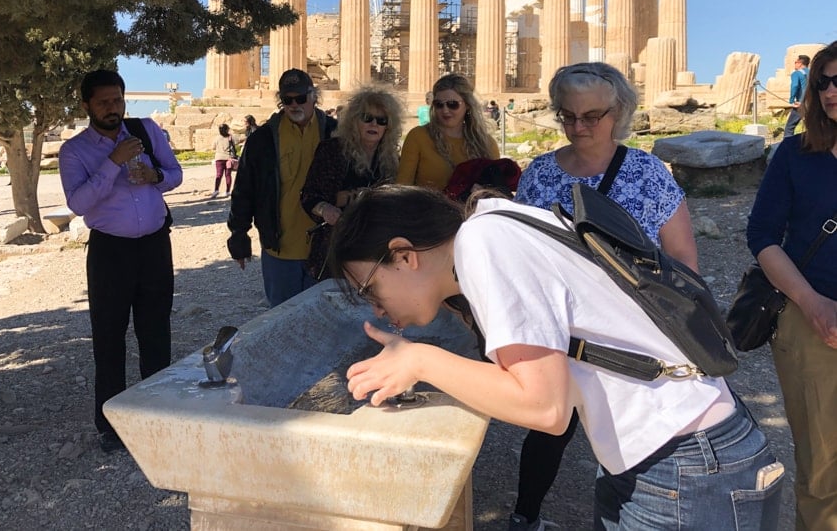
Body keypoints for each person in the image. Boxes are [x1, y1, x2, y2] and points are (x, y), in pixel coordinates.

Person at [332, 185, 782, 530]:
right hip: (676, 450)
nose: (375, 306)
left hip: (685, 463)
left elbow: (545, 408)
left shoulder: (484, 244)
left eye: (370, 287)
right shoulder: (496, 221)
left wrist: (420, 361)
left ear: (404, 255)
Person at [510, 61, 698, 530]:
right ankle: (523, 517)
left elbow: (682, 257)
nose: (578, 127)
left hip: (631, 331)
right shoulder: (538, 175)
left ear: (619, 111)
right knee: (548, 428)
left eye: (591, 116)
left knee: (626, 435)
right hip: (561, 328)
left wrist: (675, 327)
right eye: (567, 115)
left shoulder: (648, 173)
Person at [58, 69, 183, 453]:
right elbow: (77, 204)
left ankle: (158, 416)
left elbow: (175, 174)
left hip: (154, 247)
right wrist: (112, 162)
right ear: (86, 106)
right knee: (109, 338)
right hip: (110, 252)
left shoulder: (145, 130)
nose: (113, 109)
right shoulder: (75, 151)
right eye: (104, 103)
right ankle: (111, 425)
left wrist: (154, 175)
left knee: (155, 331)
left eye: (118, 100)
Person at [747, 41, 837, 529]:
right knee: (824, 471)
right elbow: (760, 235)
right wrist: (812, 303)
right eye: (822, 81)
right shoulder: (796, 155)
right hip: (814, 323)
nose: (829, 91)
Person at [227, 68, 337, 307]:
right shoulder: (262, 139)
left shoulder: (335, 133)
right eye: (287, 100)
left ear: (314, 97)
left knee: (325, 323)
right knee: (281, 320)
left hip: (327, 247)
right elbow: (245, 188)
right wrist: (238, 232)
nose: (294, 104)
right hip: (280, 250)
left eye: (300, 98)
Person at [301, 87, 403, 280]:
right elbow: (309, 195)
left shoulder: (392, 159)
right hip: (336, 246)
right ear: (354, 120)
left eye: (381, 121)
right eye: (367, 118)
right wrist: (326, 209)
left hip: (375, 251)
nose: (374, 124)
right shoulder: (332, 151)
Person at [397, 74, 499, 190]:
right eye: (439, 104)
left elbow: (497, 189)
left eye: (452, 104)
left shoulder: (486, 143)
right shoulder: (418, 137)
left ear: (468, 105)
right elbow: (403, 187)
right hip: (428, 207)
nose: (445, 110)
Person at [785, 54, 810, 138]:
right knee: (812, 127)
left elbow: (795, 86)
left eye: (795, 62)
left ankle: (787, 147)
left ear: (800, 63)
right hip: (813, 103)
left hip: (801, 103)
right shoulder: (812, 73)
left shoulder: (797, 73)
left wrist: (792, 100)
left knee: (789, 127)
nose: (794, 64)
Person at [210, 123, 236, 199]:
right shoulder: (230, 137)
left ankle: (216, 190)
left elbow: (213, 147)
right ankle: (228, 191)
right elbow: (234, 146)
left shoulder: (217, 138)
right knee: (228, 175)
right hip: (229, 158)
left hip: (219, 158)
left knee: (218, 175)